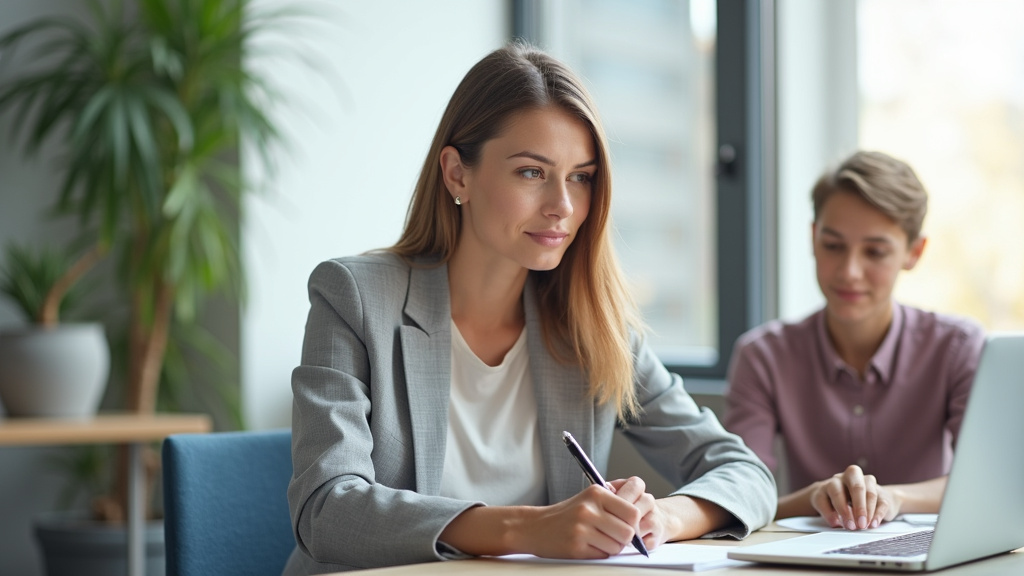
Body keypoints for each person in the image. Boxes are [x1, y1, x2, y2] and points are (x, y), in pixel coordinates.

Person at [283, 42, 776, 574]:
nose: (562, 206)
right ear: (457, 174)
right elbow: (326, 509)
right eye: (532, 173)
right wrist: (528, 528)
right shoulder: (354, 298)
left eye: (581, 177)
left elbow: (745, 471)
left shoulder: (592, 326)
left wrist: (663, 516)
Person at [724, 150, 985, 532]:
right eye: (833, 246)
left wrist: (895, 498)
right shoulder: (763, 355)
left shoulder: (958, 347)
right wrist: (815, 497)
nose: (849, 271)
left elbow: (984, 483)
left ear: (914, 252)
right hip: (807, 557)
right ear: (813, 238)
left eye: (875, 252)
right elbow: (739, 495)